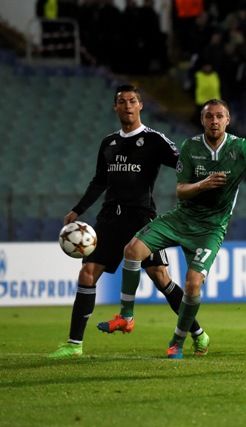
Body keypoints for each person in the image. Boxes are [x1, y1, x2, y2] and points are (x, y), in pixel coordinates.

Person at [98, 98, 246, 359]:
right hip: (182, 218)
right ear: (202, 120)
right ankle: (126, 316)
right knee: (132, 250)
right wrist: (203, 184)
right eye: (209, 116)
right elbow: (181, 191)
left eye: (219, 116)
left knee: (192, 285)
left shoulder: (241, 148)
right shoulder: (190, 147)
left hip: (211, 228)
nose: (214, 121)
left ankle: (178, 342)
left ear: (228, 120)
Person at [48, 85, 209, 358]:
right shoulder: (108, 143)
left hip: (141, 217)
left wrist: (203, 182)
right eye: (121, 102)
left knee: (160, 278)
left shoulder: (155, 140)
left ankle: (197, 333)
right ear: (115, 108)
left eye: (132, 101)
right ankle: (74, 345)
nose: (127, 106)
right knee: (87, 274)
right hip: (110, 217)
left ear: (140, 106)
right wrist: (78, 210)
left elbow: (183, 163)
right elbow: (100, 180)